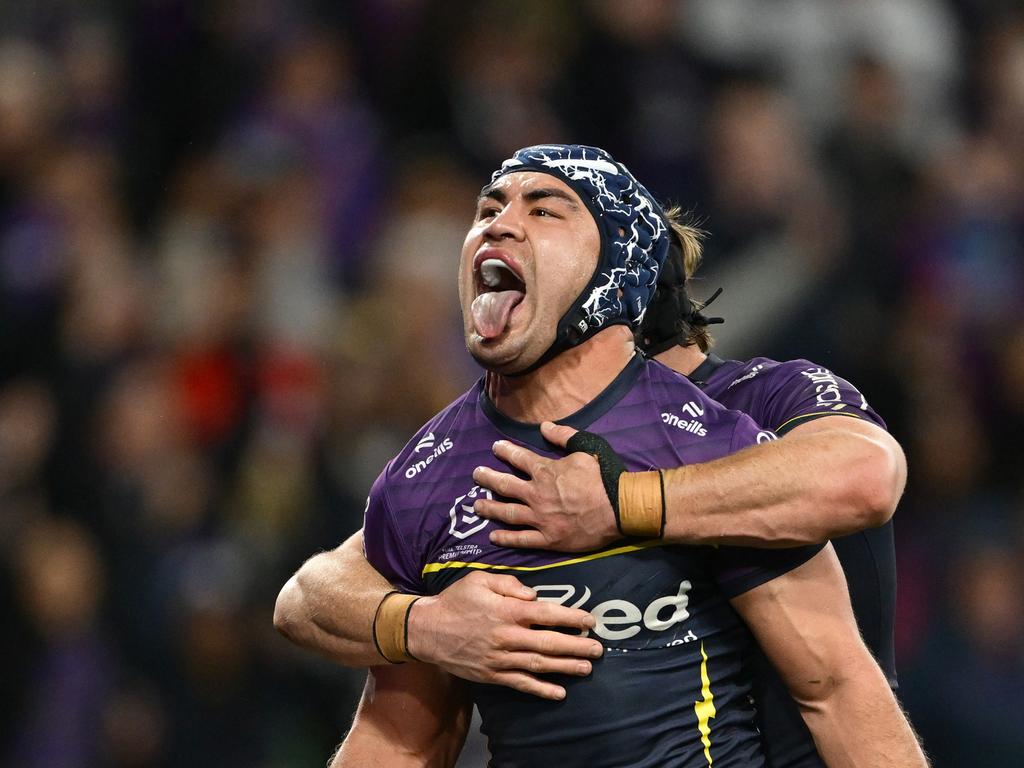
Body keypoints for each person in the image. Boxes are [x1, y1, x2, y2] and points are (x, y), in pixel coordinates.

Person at [286, 144, 924, 767]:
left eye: (543, 210)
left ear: (618, 280)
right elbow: (342, 639)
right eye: (488, 208)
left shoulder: (733, 422)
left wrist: (622, 503)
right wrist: (420, 626)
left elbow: (838, 672)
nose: (500, 223)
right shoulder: (434, 469)